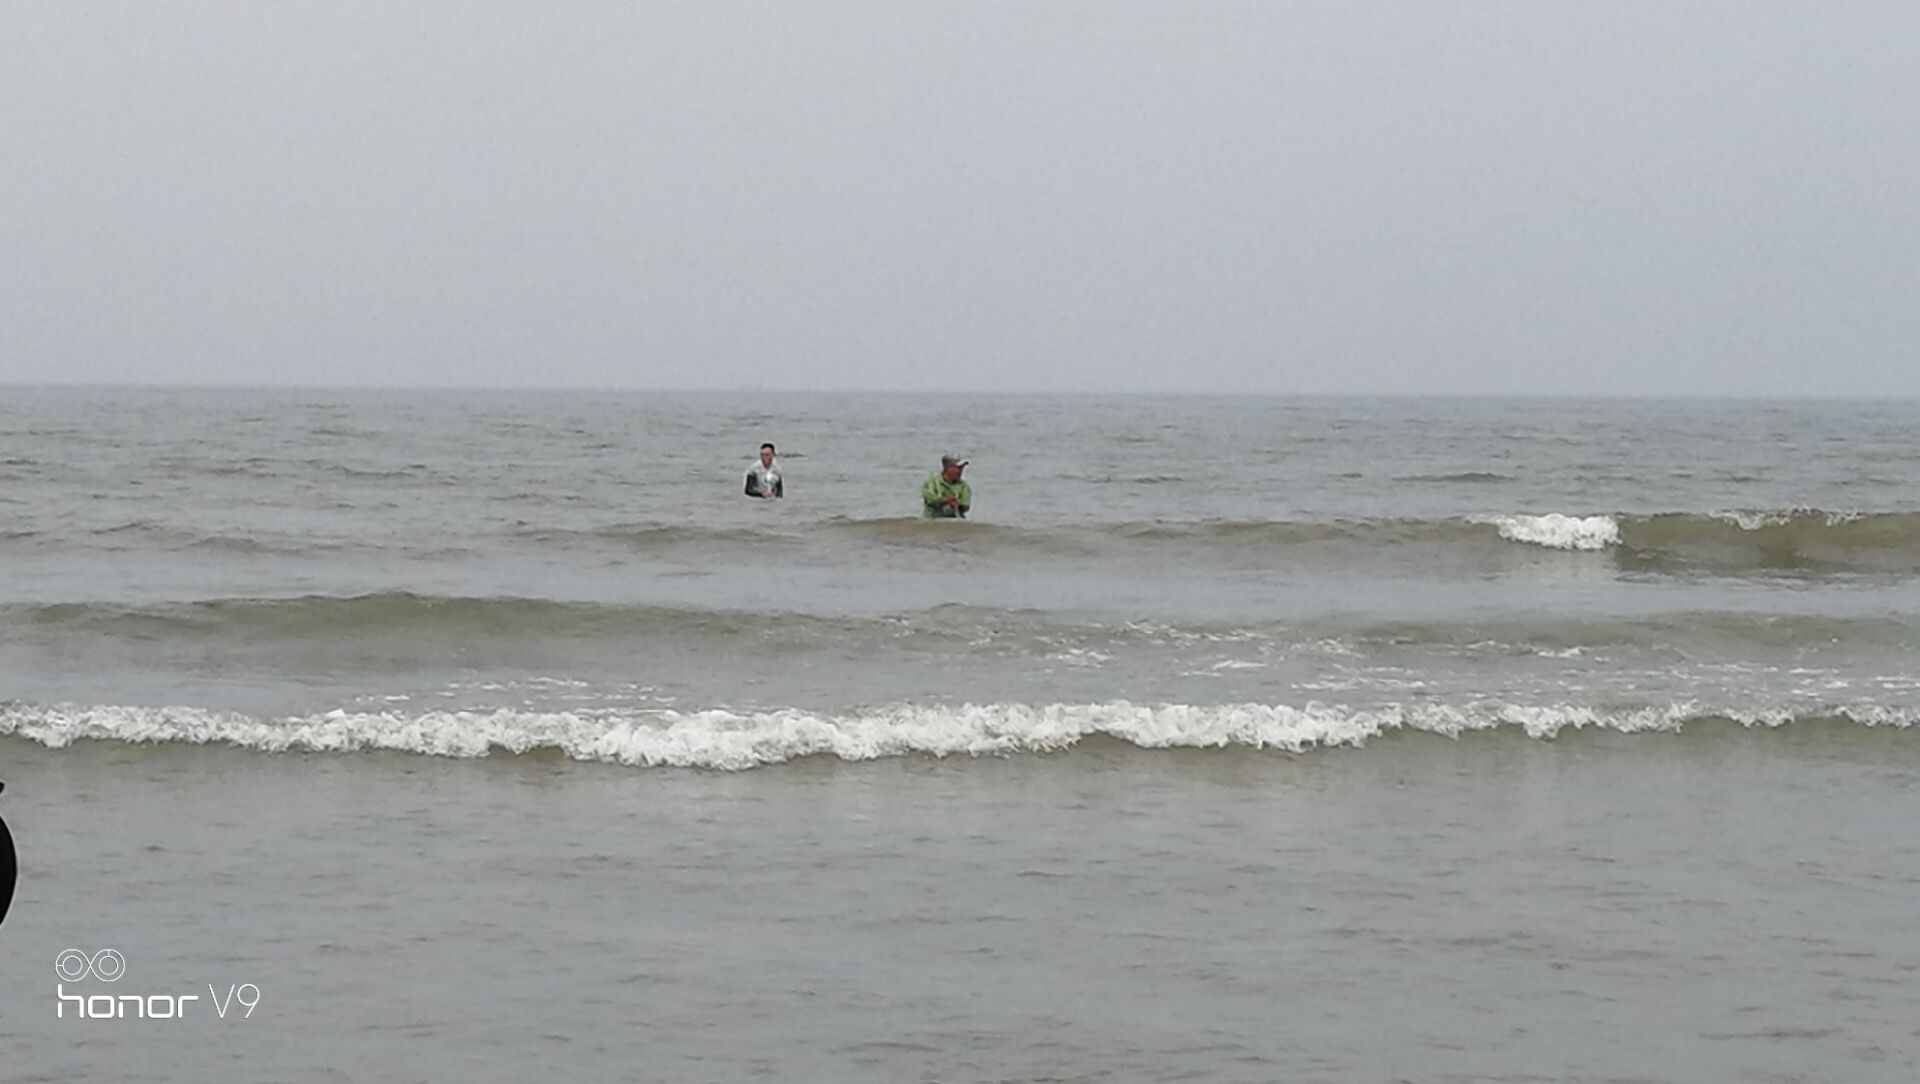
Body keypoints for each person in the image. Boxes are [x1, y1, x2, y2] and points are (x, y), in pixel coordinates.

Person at [921, 454, 971, 518]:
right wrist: (945, 501)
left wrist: (957, 504)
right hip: (932, 519)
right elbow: (929, 498)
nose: (960, 471)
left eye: (962, 468)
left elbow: (966, 505)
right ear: (948, 468)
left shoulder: (964, 486)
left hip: (955, 519)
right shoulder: (933, 482)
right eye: (958, 468)